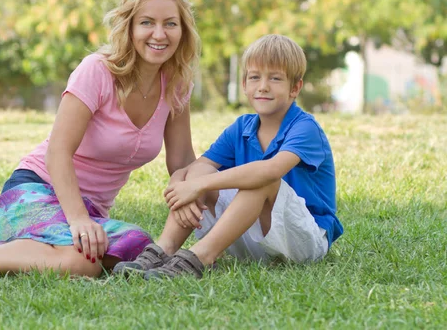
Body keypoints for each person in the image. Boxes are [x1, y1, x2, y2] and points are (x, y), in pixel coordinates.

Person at [0, 0, 201, 278]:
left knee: (140, 248)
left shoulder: (176, 83)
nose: (159, 33)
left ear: (183, 30)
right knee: (84, 264)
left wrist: (208, 195)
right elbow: (58, 152)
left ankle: (30, 251)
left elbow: (182, 160)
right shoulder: (97, 71)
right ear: (129, 27)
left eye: (170, 23)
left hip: (91, 212)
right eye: (147, 22)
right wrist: (78, 220)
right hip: (35, 191)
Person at [113, 34, 344, 279]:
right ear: (244, 84)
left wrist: (196, 185)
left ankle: (199, 258)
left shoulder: (305, 128)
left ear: (295, 88)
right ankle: (164, 249)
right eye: (255, 77)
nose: (263, 86)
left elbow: (270, 171)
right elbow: (200, 167)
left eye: (275, 78)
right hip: (254, 238)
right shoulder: (242, 127)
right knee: (201, 172)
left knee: (260, 180)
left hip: (303, 240)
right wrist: (181, 180)